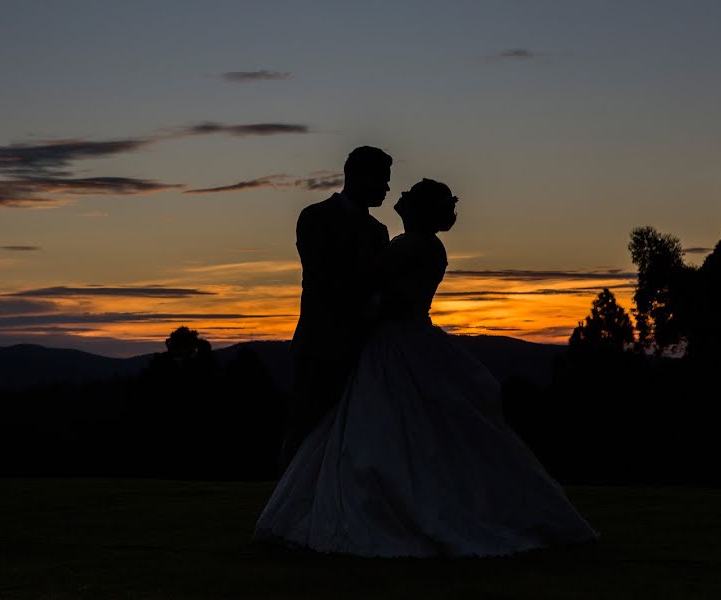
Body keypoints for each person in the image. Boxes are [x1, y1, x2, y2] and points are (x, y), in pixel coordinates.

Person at [255, 179, 597, 557]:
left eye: (410, 194)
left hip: (397, 343)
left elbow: (370, 284)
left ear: (419, 208)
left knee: (390, 427)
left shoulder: (413, 245)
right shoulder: (417, 244)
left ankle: (401, 507)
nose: (398, 195)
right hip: (402, 340)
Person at [279, 146, 393, 468]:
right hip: (320, 344)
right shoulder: (315, 217)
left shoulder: (378, 231)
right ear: (357, 177)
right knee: (306, 428)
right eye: (382, 180)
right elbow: (323, 276)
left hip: (364, 349)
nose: (387, 189)